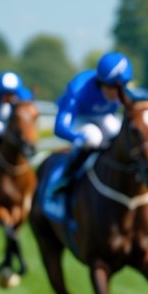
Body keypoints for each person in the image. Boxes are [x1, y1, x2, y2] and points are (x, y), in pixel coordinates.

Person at [50, 52, 136, 199]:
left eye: (121, 88)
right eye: (112, 88)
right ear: (101, 83)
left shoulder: (122, 90)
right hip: (80, 118)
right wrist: (78, 138)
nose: (117, 94)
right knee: (93, 137)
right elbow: (59, 128)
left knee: (119, 133)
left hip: (104, 118)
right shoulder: (78, 89)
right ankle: (65, 178)